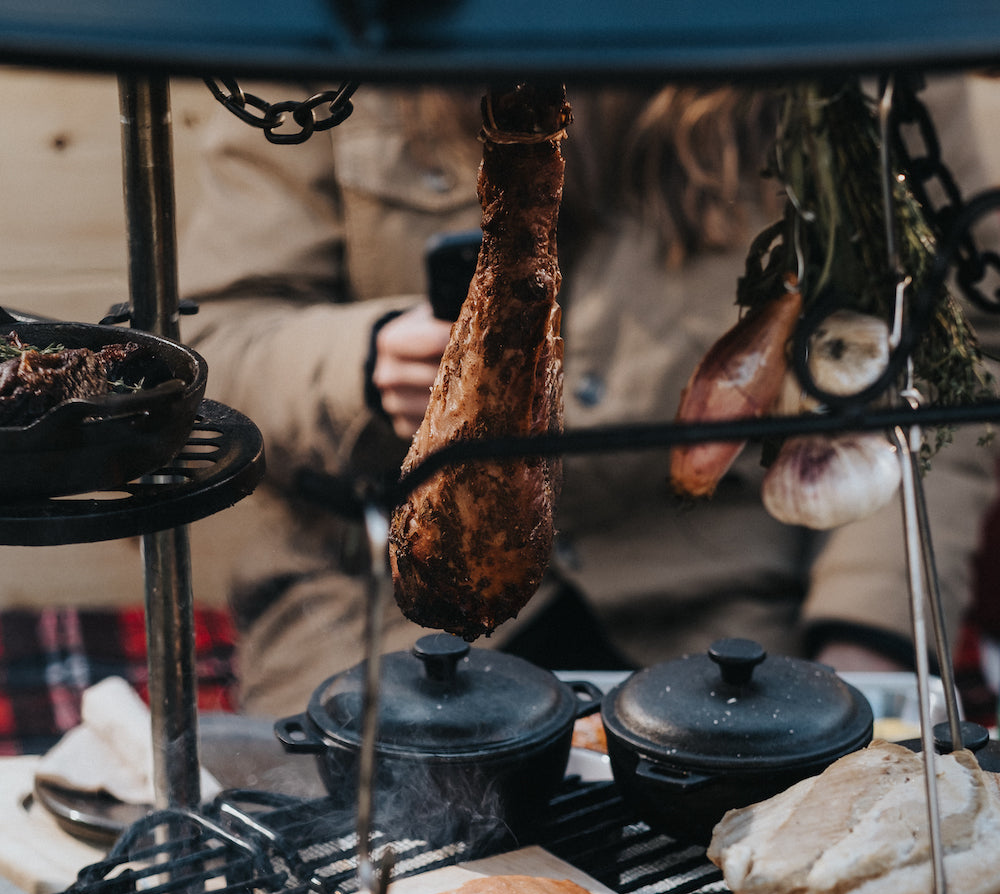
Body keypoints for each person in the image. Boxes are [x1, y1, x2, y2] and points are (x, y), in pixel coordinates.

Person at [177, 76, 999, 719]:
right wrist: (361, 363)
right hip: (376, 599)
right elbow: (216, 347)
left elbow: (945, 344)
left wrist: (868, 632)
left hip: (738, 599)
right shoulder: (327, 26)